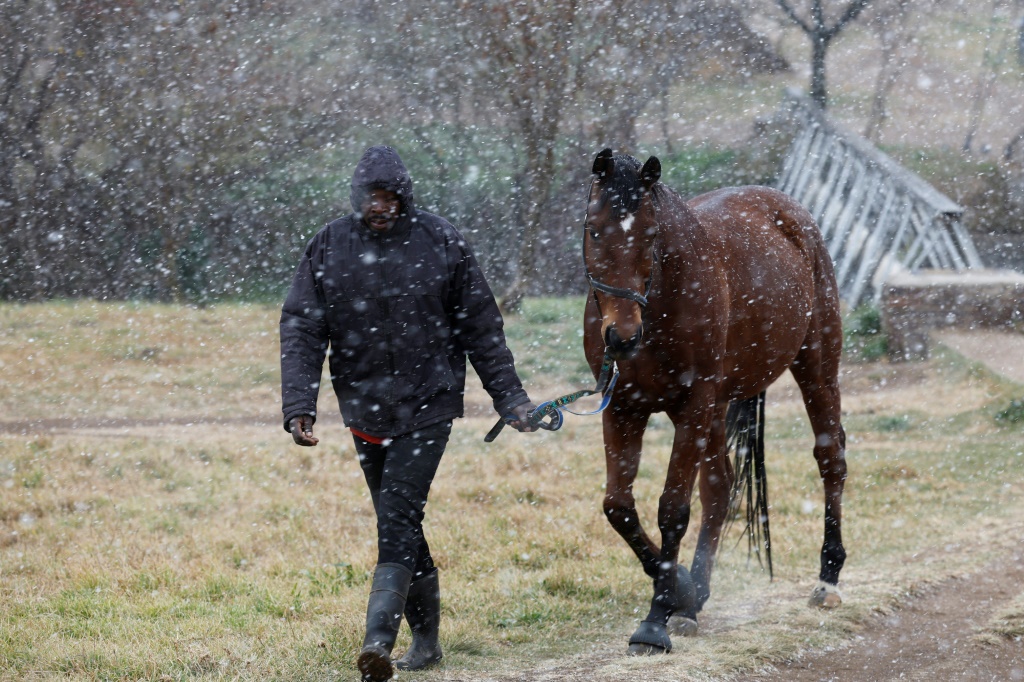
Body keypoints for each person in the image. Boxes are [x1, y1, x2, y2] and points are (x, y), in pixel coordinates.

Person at [279, 145, 536, 682]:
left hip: (429, 404)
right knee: (399, 519)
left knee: (397, 515)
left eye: (390, 195)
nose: (381, 205)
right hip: (363, 409)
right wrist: (300, 403)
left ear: (404, 196)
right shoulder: (329, 246)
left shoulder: (441, 240)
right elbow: (303, 327)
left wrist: (509, 398)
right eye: (372, 196)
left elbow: (481, 327)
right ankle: (428, 640)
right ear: (357, 198)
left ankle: (378, 641)